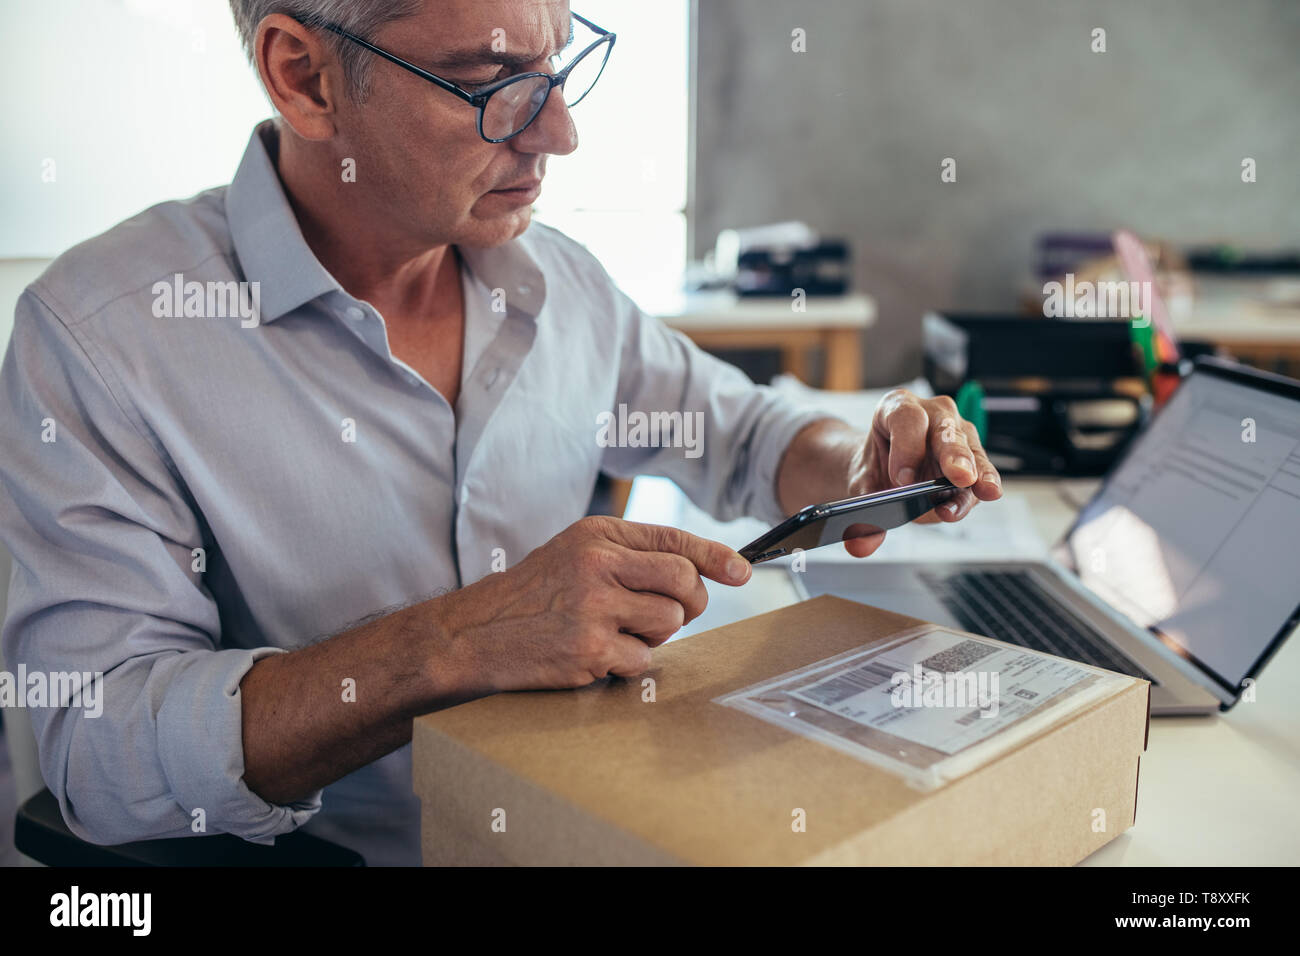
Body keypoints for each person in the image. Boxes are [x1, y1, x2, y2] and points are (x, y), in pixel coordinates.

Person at [0, 0, 1001, 865]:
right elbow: (96, 749)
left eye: (558, 64)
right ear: (302, 76)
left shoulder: (554, 280)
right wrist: (458, 639)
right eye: (492, 78)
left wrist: (862, 458)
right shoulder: (101, 337)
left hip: (591, 821)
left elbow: (742, 433)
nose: (558, 133)